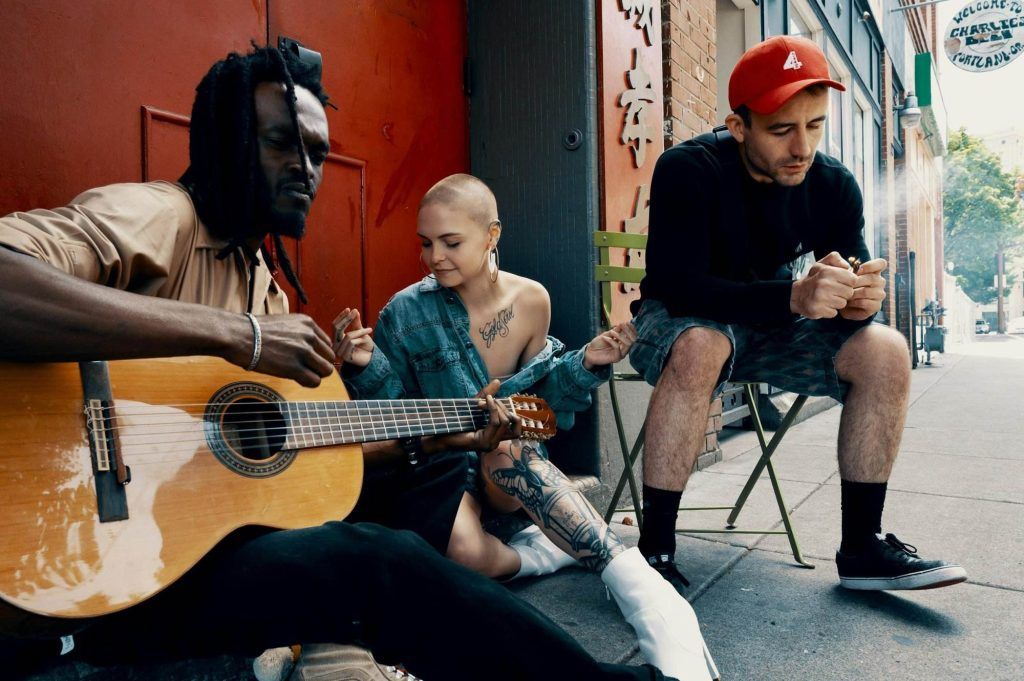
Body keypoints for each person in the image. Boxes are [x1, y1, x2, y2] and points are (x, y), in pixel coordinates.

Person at [0, 45, 677, 681]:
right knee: (376, 563)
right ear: (224, 143)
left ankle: (356, 636)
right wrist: (241, 336)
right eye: (280, 144)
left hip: (190, 546)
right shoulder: (160, 216)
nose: (306, 168)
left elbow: (294, 443)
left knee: (431, 465)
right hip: (102, 567)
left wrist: (452, 432)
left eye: (318, 152)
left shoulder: (258, 276)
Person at [334, 173, 718, 681]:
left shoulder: (532, 301)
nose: (434, 257)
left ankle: (642, 587)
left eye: (451, 242)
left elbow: (544, 405)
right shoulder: (403, 314)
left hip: (507, 471)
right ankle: (539, 556)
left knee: (510, 445)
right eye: (426, 244)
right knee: (466, 558)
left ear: (492, 234)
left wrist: (586, 363)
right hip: (442, 465)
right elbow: (397, 414)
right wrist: (365, 365)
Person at [629, 35, 967, 593]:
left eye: (814, 125)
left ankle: (863, 548)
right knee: (702, 344)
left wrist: (856, 303)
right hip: (677, 320)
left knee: (886, 350)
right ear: (739, 127)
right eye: (782, 129)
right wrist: (791, 297)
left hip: (769, 327)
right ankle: (654, 554)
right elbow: (679, 285)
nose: (801, 146)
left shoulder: (833, 185)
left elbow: (842, 288)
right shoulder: (688, 169)